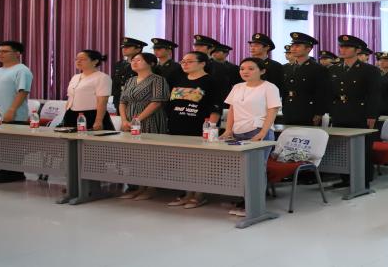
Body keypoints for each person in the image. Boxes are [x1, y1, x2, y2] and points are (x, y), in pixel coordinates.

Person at [222, 57, 281, 216]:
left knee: (256, 169)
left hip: (258, 130)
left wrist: (262, 132)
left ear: (262, 71)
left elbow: (272, 111)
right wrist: (228, 130)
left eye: (251, 68)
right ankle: (243, 199)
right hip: (238, 131)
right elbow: (232, 110)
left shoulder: (269, 87)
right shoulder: (237, 87)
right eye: (242, 69)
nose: (245, 72)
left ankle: (254, 204)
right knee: (239, 168)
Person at [165, 51, 223, 209]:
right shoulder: (179, 79)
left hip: (200, 127)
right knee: (182, 162)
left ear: (202, 63)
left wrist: (210, 129)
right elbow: (171, 103)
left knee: (199, 163)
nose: (184, 64)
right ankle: (187, 193)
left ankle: (199, 194)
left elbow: (216, 107)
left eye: (189, 61)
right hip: (177, 126)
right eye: (183, 61)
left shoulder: (211, 81)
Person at [327, 35, 380, 189]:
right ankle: (345, 178)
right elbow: (330, 93)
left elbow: (374, 95)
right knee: (342, 147)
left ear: (357, 50)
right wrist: (331, 111)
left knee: (363, 148)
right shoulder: (334, 69)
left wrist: (372, 115)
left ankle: (364, 179)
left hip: (360, 113)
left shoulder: (369, 70)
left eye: (347, 47)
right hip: (340, 112)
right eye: (341, 46)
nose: (342, 50)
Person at [117, 52, 170, 200]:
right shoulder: (130, 80)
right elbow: (122, 102)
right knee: (133, 155)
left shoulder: (158, 80)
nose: (134, 62)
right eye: (133, 60)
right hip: (129, 121)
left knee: (150, 155)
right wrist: (124, 120)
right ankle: (138, 186)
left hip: (149, 119)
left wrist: (137, 120)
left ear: (151, 63)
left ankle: (151, 187)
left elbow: (157, 102)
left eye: (139, 60)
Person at [0, 41, 33, 183]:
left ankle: (15, 173)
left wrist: (12, 110)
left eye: (5, 51)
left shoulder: (22, 70)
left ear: (17, 53)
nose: (0, 54)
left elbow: (23, 91)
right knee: (0, 145)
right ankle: (4, 170)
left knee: (12, 145)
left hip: (12, 115)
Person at [281, 32, 329, 126]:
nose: (293, 49)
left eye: (297, 46)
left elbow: (322, 93)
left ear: (308, 49)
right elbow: (285, 91)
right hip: (289, 110)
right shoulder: (286, 68)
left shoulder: (318, 68)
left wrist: (319, 113)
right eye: (292, 46)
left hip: (308, 111)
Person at [64, 50, 113, 131]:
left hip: (91, 115)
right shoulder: (75, 77)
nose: (78, 61)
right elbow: (70, 98)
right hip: (71, 114)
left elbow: (102, 101)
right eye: (77, 59)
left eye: (82, 59)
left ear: (95, 61)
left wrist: (98, 121)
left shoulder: (102, 77)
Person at [111, 37, 145, 114]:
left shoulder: (144, 64)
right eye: (123, 47)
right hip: (119, 99)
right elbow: (115, 82)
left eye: (128, 47)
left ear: (138, 49)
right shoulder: (119, 64)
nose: (124, 49)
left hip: (136, 100)